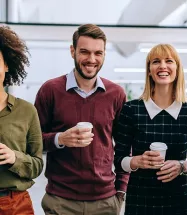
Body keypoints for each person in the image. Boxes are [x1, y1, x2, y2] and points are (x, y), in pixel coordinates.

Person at [34, 24, 129, 215]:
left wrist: (121, 189)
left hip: (105, 202)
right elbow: (33, 141)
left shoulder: (116, 94)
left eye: (98, 53)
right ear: (72, 51)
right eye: (84, 52)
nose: (91, 59)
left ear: (104, 54)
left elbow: (124, 146)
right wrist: (60, 139)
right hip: (60, 201)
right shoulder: (50, 90)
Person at [114, 44, 187, 215]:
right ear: (149, 70)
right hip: (140, 201)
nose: (163, 66)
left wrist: (181, 166)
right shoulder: (131, 109)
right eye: (156, 61)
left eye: (169, 61)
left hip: (178, 201)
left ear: (177, 68)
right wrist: (137, 161)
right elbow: (118, 160)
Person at [0, 26, 43, 214]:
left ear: (7, 65)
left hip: (15, 205)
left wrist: (13, 158)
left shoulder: (26, 111)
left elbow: (37, 164)